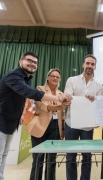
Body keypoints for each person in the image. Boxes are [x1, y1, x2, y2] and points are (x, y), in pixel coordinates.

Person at [0, 52, 71, 180]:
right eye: (29, 60)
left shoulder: (27, 78)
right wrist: (59, 101)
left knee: (4, 154)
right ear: (20, 61)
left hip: (15, 122)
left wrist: (21, 113)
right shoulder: (16, 77)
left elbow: (20, 97)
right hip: (15, 122)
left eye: (35, 62)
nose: (32, 64)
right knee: (37, 159)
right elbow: (32, 95)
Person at [26, 68, 71, 180]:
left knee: (51, 160)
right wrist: (61, 106)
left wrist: (63, 131)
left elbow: (62, 115)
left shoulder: (61, 94)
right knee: (38, 159)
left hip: (55, 128)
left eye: (57, 77)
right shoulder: (40, 89)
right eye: (53, 76)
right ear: (47, 77)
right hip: (40, 127)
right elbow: (44, 107)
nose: (55, 78)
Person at [64, 54, 103, 180]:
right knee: (70, 156)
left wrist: (94, 100)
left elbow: (99, 106)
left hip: (88, 126)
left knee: (87, 156)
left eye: (92, 64)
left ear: (95, 67)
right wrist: (69, 98)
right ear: (83, 65)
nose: (89, 66)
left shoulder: (99, 86)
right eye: (88, 63)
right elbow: (67, 97)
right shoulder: (71, 80)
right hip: (71, 124)